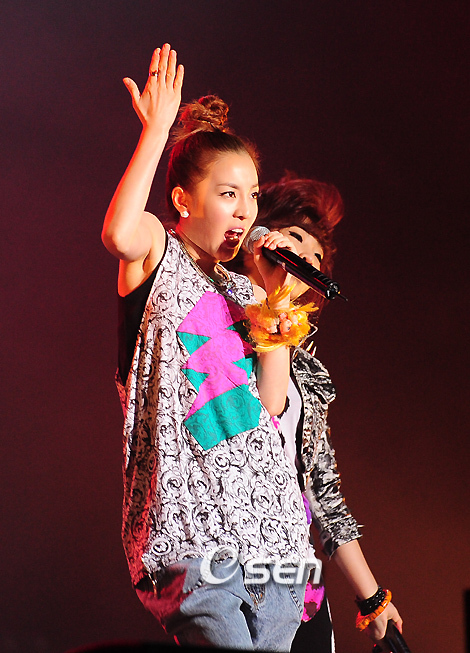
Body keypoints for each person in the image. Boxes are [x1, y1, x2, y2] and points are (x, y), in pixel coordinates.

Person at [102, 45, 315, 651]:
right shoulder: (157, 254)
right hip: (189, 536)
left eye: (252, 195)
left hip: (273, 540)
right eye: (228, 194)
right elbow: (119, 232)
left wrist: (275, 302)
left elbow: (272, 408)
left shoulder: (248, 291)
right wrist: (156, 132)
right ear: (182, 200)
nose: (245, 211)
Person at [232, 174, 403, 651]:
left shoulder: (305, 373)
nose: (305, 259)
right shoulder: (210, 318)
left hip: (290, 570)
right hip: (222, 559)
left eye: (315, 258)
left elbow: (321, 490)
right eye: (295, 239)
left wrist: (373, 599)